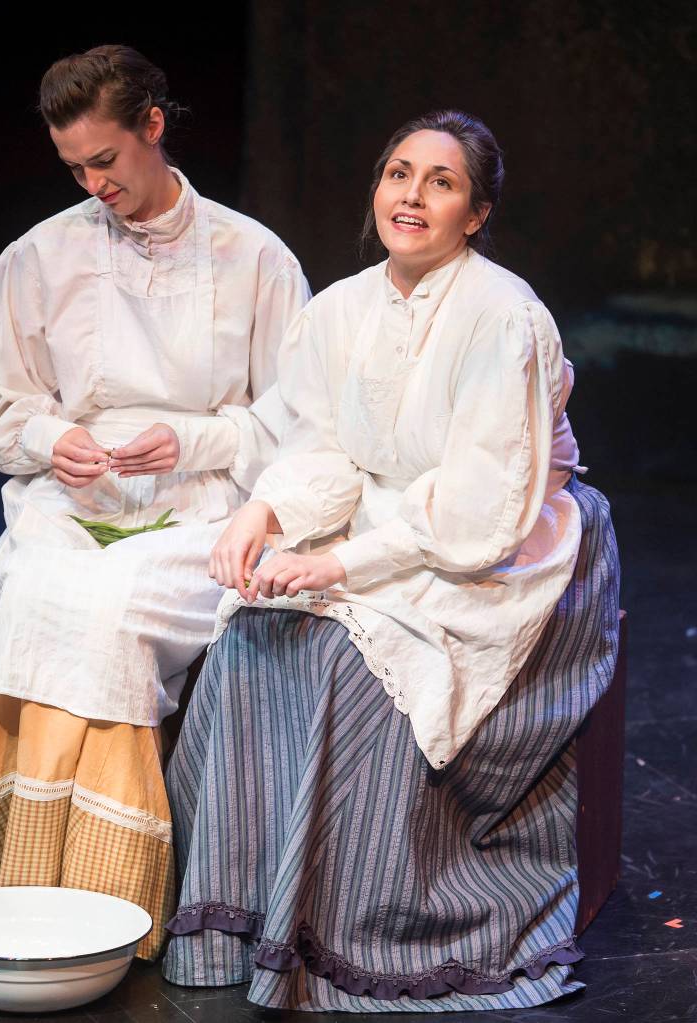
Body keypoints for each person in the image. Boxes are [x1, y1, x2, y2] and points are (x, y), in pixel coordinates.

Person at [163, 111, 620, 1010]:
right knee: (250, 636)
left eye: (441, 183)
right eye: (398, 173)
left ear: (475, 214)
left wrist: (339, 566)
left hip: (501, 543)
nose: (411, 196)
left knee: (348, 662)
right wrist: (265, 510)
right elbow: (324, 448)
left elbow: (481, 508)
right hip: (382, 517)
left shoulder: (504, 318)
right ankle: (243, 916)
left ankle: (350, 923)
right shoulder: (339, 310)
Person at [0, 45, 308, 960]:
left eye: (106, 160)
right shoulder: (39, 256)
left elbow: (299, 424)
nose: (94, 185)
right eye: (75, 168)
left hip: (205, 505)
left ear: (153, 126)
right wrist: (54, 439)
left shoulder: (253, 258)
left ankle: (102, 895)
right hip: (72, 499)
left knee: (113, 609)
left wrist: (195, 439)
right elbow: (4, 415)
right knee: (38, 597)